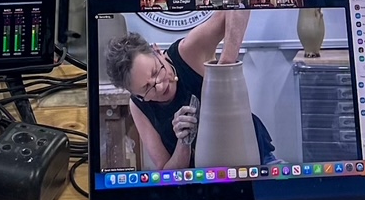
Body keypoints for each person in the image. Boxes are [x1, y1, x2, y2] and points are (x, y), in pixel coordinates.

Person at [103, 10, 275, 172]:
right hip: (201, 181)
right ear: (136, 94)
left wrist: (225, 66)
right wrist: (183, 143)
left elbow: (238, 3)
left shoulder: (188, 52)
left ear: (156, 51)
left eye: (157, 71)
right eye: (147, 88)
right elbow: (166, 172)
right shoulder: (138, 106)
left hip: (256, 162)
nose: (160, 87)